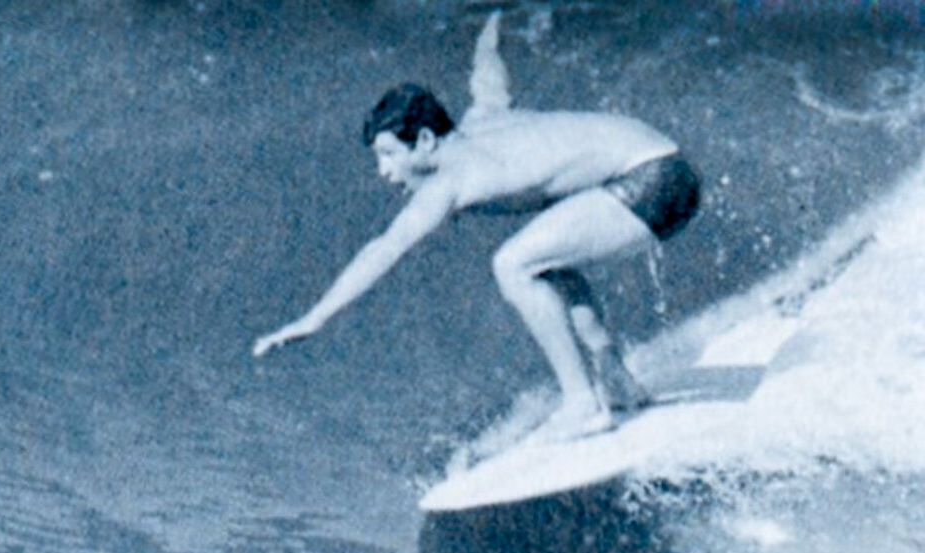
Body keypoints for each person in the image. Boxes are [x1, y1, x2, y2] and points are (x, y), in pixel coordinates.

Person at [253, 14, 700, 442]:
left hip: (653, 183)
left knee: (513, 263)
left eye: (389, 155)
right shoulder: (481, 121)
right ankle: (615, 378)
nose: (384, 171)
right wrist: (492, 27)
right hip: (669, 167)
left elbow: (384, 248)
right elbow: (488, 81)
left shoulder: (448, 181)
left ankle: (583, 405)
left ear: (425, 141)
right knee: (546, 257)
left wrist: (315, 317)